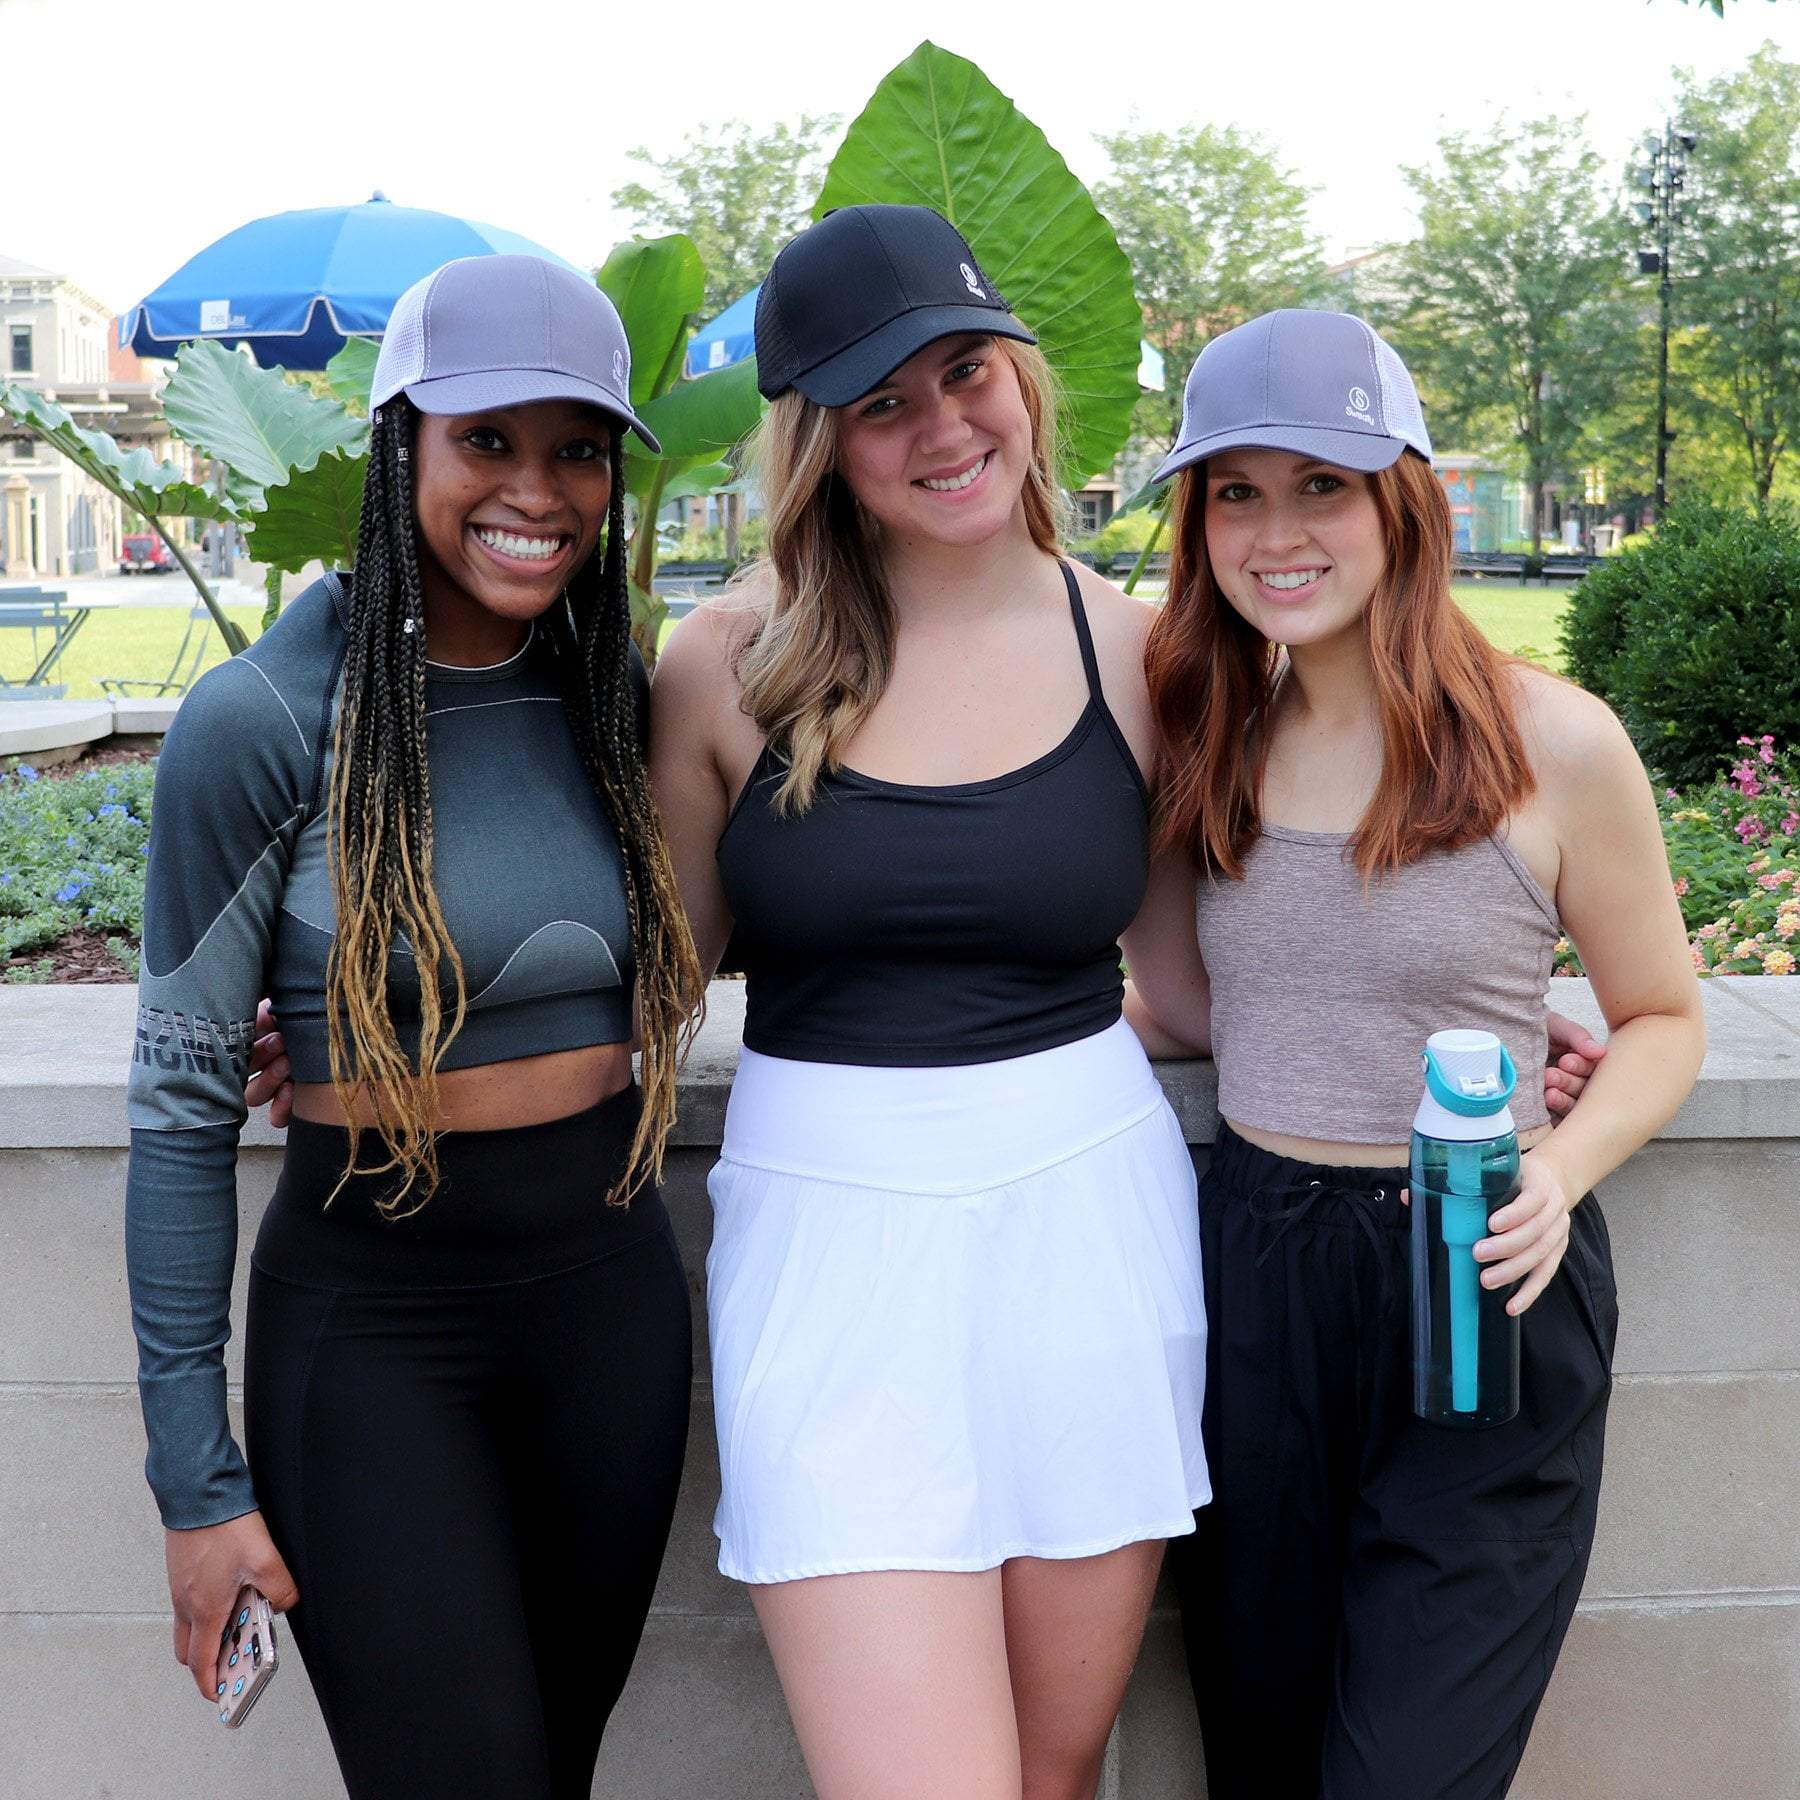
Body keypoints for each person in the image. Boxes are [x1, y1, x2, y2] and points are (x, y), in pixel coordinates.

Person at [647, 203, 1215, 1800]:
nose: (941, 426)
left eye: (966, 372)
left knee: (1048, 1779)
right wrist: (364, 1038)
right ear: (820, 444)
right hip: (832, 1249)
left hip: (1091, 1238)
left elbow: (1183, 991)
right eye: (881, 402)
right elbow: (649, 992)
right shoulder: (728, 666)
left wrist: (1498, 1043)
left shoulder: (1144, 653)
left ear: (1023, 379)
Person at [124, 254, 704, 1800]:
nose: (539, 489)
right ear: (402, 450)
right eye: (488, 442)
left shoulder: (613, 699)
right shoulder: (260, 722)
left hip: (611, 1314)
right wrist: (195, 1483)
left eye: (577, 448)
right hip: (375, 1334)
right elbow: (178, 1114)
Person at [1129, 309, 1705, 1800]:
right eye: (1235, 493)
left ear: (1407, 498)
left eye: (1321, 484)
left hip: (1479, 1271)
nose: (1276, 532)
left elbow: (1663, 1017)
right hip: (1257, 1277)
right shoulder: (1206, 730)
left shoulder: (1557, 745)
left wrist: (1558, 1164)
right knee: (1262, 1748)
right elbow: (1201, 1009)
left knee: (1411, 1771)